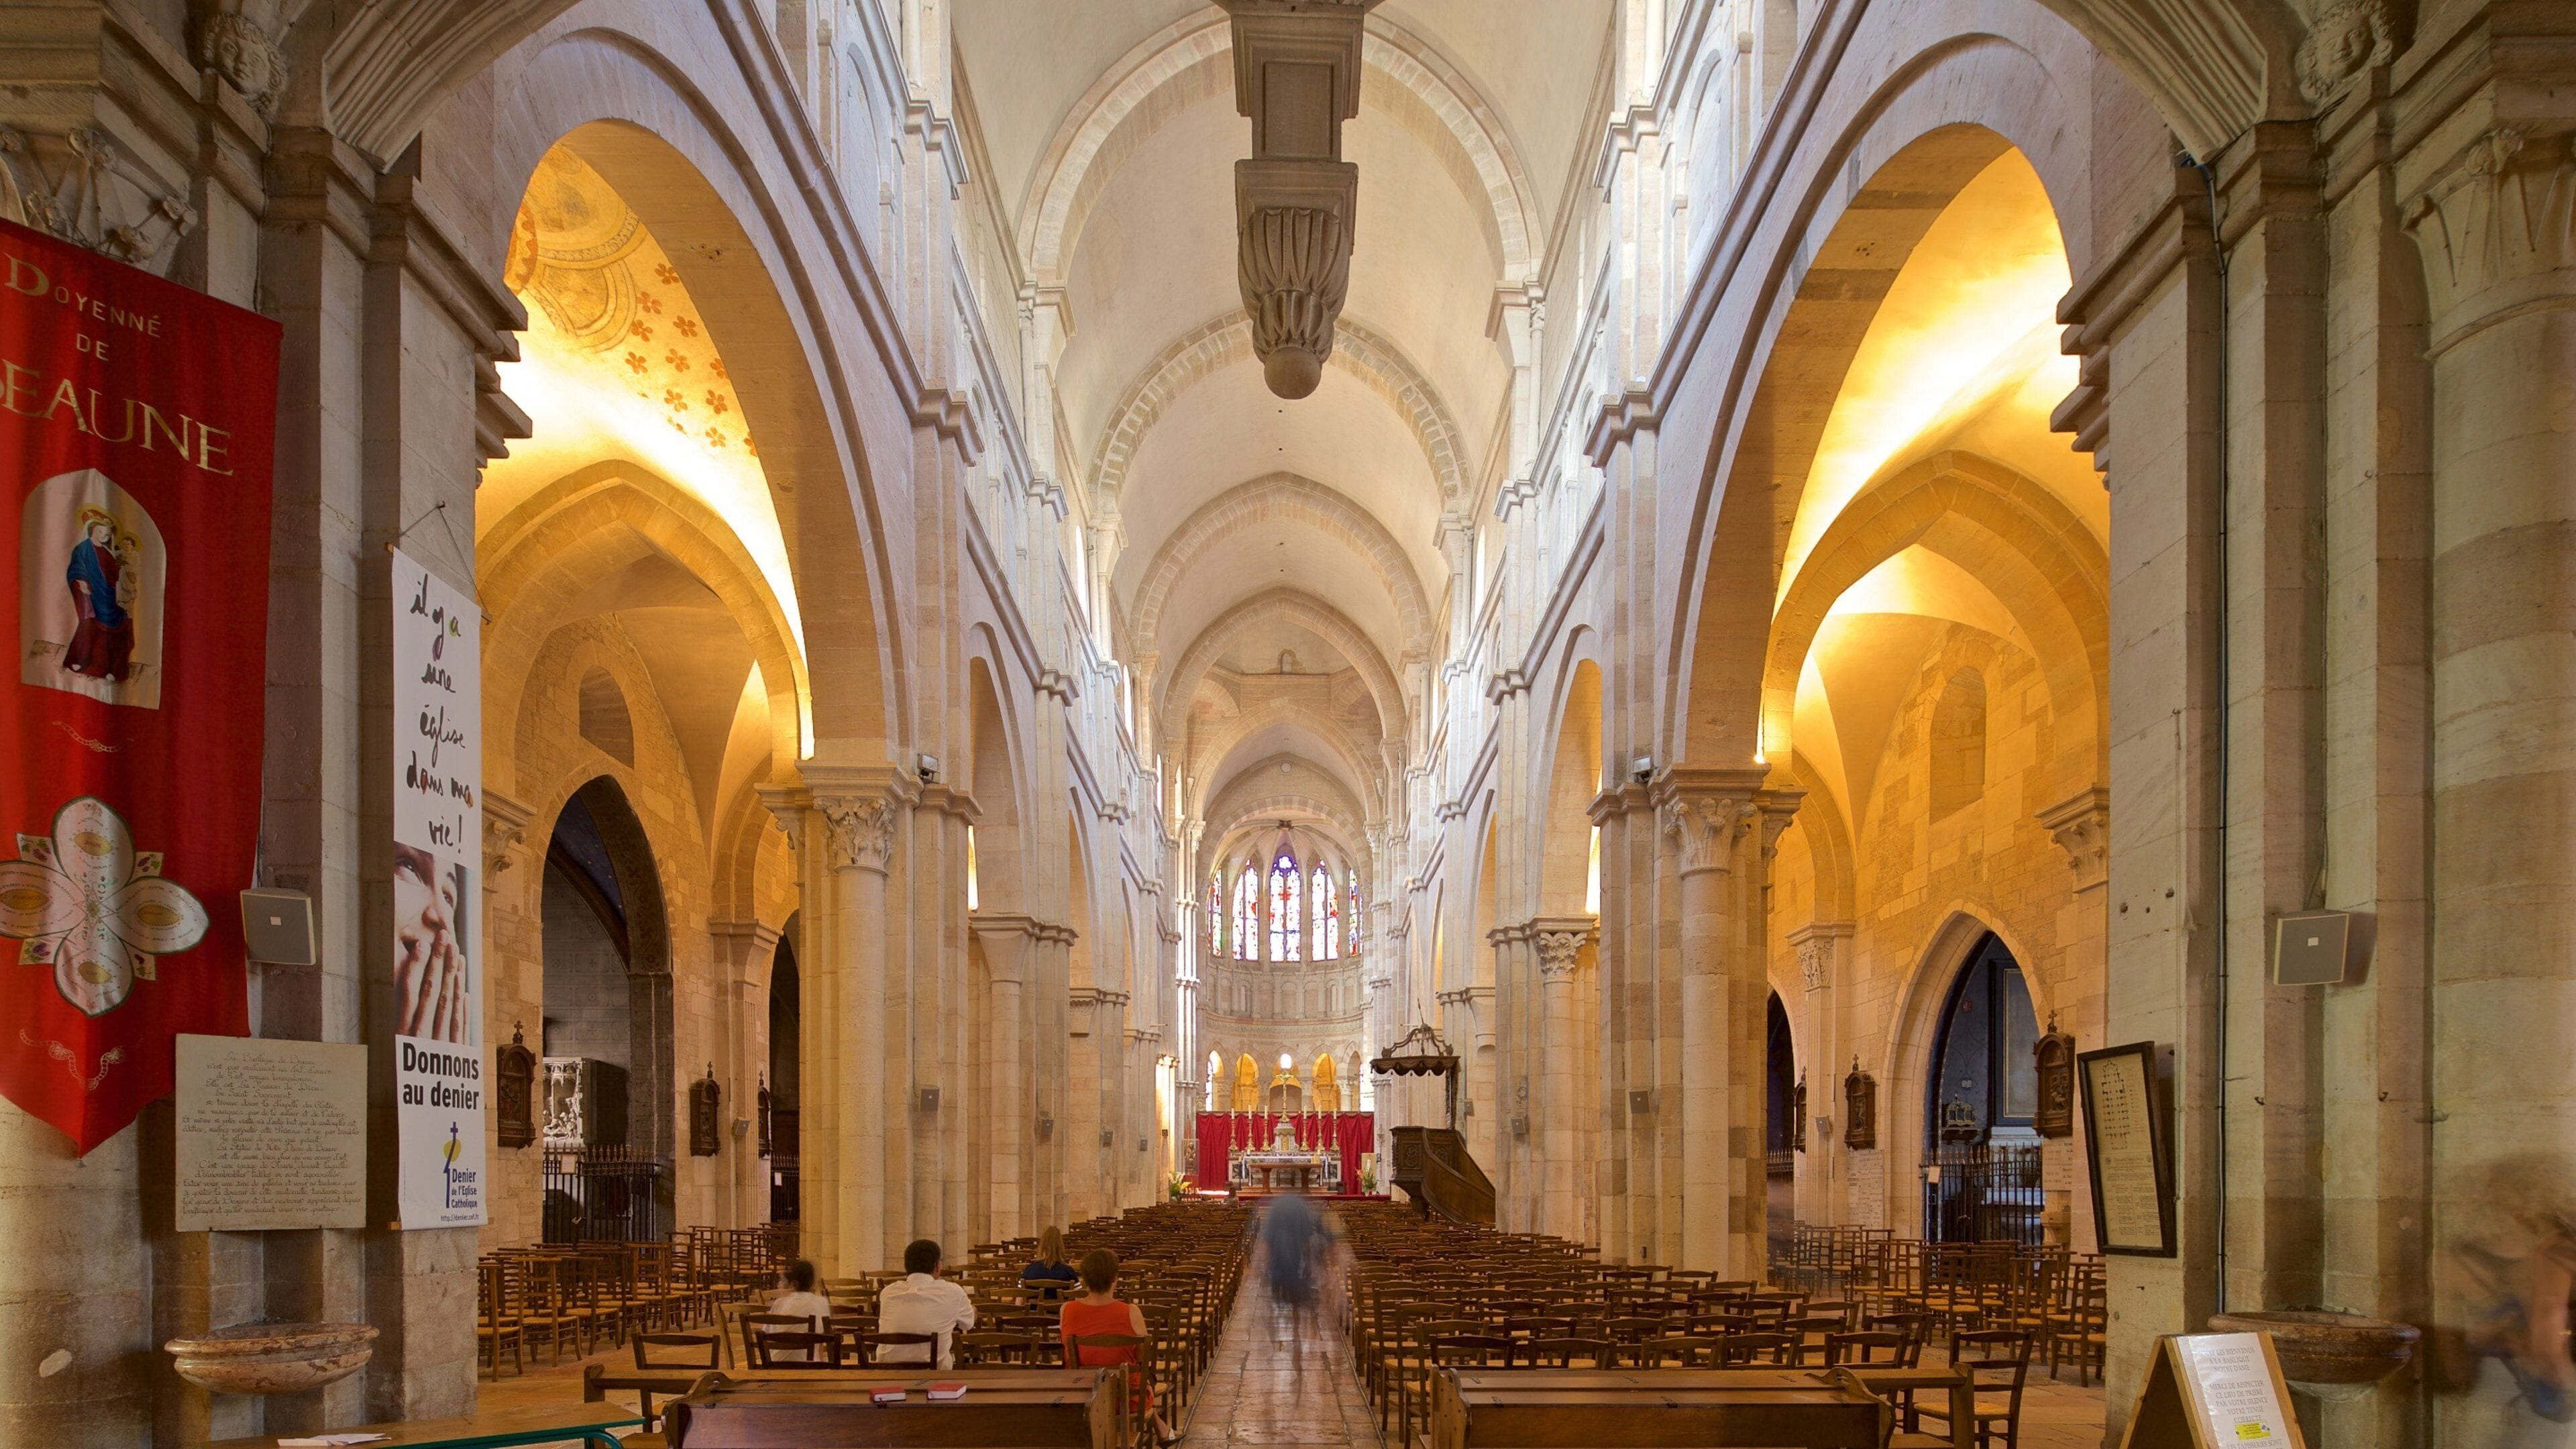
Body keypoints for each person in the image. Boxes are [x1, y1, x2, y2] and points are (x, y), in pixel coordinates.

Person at [1060, 1248, 1179, 1447]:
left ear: (1085, 1279)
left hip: (1083, 1396)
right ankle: (1161, 1431)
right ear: (1115, 1278)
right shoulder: (1131, 1312)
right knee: (1141, 1376)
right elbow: (1142, 1357)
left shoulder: (1067, 1310)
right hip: (1125, 1400)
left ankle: (1163, 1430)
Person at [877, 1238, 976, 1367]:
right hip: (932, 1378)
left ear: (906, 1266)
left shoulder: (888, 1293)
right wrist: (973, 1310)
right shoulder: (953, 1292)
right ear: (937, 1266)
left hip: (889, 1377)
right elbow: (967, 1325)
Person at [765, 1258, 833, 1362]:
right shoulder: (822, 1303)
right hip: (811, 1365)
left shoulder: (779, 1303)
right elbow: (822, 1340)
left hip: (778, 1365)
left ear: (793, 1283)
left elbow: (769, 1337)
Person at [1020, 1225, 1080, 1301]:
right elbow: (1078, 1298)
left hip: (1034, 1313)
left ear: (1041, 1246)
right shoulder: (1068, 1271)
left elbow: (1020, 1300)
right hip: (1060, 1312)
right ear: (1061, 1247)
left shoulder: (1029, 1270)